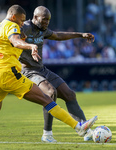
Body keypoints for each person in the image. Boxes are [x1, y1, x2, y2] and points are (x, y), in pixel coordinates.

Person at [0, 5, 97, 145]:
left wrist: (80, 34)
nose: (22, 23)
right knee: (48, 97)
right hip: (14, 73)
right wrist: (30, 46)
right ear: (14, 17)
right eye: (21, 20)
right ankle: (75, 128)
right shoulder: (15, 27)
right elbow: (15, 41)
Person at [19, 6, 95, 142]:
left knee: (69, 94)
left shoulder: (42, 30)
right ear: (35, 17)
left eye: (48, 20)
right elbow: (10, 38)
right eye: (44, 20)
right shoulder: (23, 28)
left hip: (41, 69)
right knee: (50, 92)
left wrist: (80, 35)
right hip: (27, 71)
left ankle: (86, 131)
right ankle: (47, 134)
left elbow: (58, 35)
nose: (46, 23)